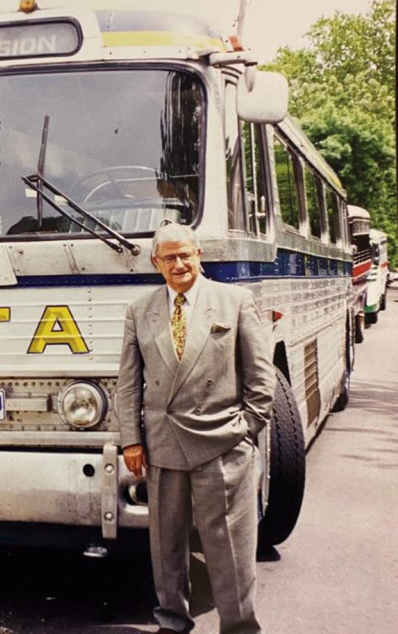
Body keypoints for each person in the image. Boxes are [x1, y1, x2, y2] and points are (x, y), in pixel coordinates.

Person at [116, 222, 275, 634]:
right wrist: (132, 439)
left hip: (222, 443)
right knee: (165, 545)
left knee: (230, 547)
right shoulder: (140, 310)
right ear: (156, 263)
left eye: (185, 254)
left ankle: (239, 626)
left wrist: (245, 429)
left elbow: (261, 378)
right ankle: (172, 621)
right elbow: (128, 382)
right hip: (163, 445)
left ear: (199, 255)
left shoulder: (234, 301)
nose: (179, 263)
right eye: (169, 257)